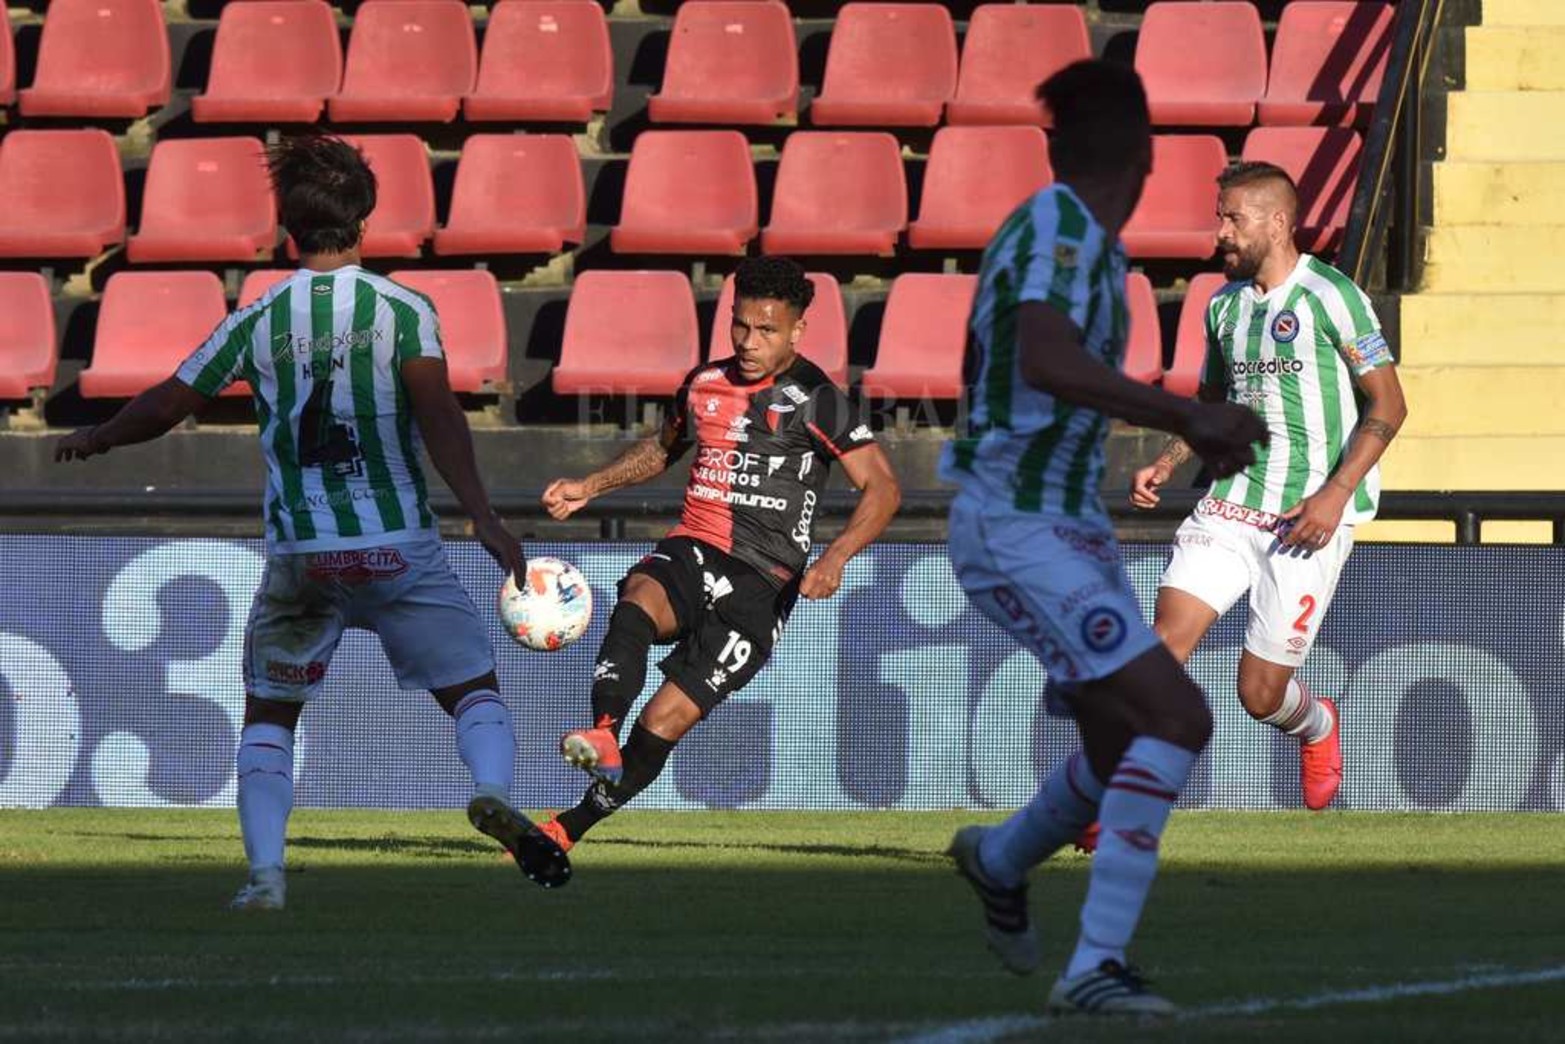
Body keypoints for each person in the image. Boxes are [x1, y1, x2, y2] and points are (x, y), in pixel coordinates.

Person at [54, 133, 570, 908]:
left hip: (304, 552)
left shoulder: (256, 318)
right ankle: (491, 788)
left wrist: (98, 436)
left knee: (271, 711)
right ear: (365, 220)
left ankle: (265, 876)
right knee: (471, 688)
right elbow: (437, 415)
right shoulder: (403, 311)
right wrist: (485, 518)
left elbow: (171, 400)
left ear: (287, 229)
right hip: (397, 545)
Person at [940, 61, 1269, 1015]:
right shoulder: (1059, 227)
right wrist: (1192, 418)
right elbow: (1043, 358)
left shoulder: (1078, 240)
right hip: (1017, 524)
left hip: (1058, 525)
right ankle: (1093, 969)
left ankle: (1000, 858)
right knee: (1178, 718)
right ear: (1146, 153)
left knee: (1124, 732)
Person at [538, 256, 900, 852]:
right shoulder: (705, 382)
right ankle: (602, 730)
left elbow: (883, 488)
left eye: (767, 331)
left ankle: (564, 830)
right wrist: (589, 486)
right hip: (696, 544)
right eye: (741, 326)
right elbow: (661, 449)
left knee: (664, 723)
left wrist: (834, 558)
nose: (750, 342)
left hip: (763, 584)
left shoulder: (816, 399)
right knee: (638, 598)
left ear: (797, 331)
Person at [1128, 161, 1407, 811]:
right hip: (1229, 504)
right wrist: (1169, 460)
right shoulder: (1223, 306)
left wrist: (1335, 493)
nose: (1218, 231)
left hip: (1307, 515)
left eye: (1232, 218)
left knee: (1258, 694)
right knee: (1160, 650)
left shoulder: (1329, 295)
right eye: (1218, 216)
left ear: (1277, 222)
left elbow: (1389, 404)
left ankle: (1318, 725)